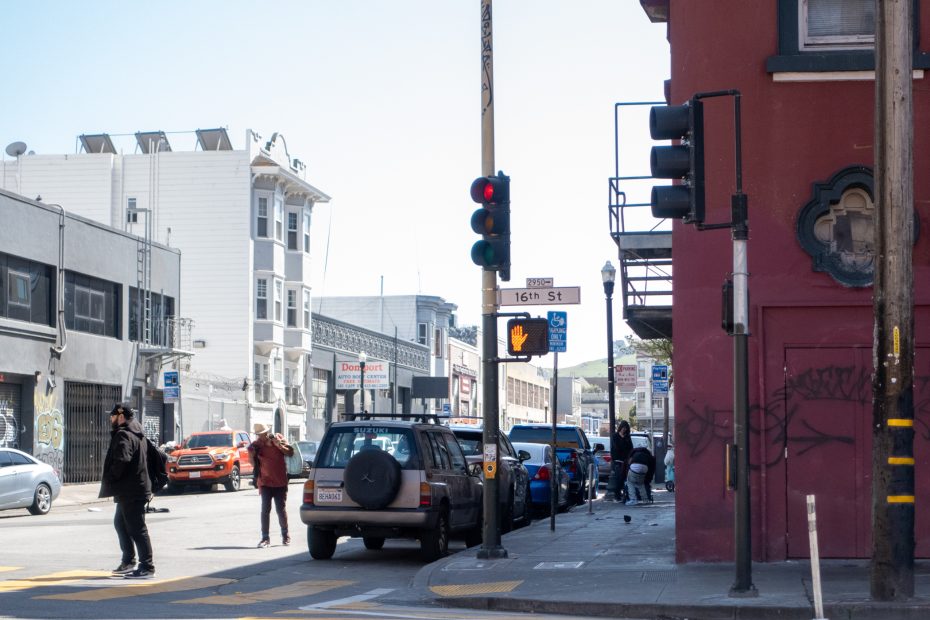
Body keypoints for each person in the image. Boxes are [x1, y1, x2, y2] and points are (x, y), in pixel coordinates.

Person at [98, 402, 155, 579]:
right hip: (133, 489)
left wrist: (111, 478)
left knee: (137, 529)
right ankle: (129, 561)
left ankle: (147, 566)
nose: (111, 419)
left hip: (131, 490)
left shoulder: (123, 435)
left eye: (113, 416)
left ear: (121, 417)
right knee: (121, 524)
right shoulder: (138, 434)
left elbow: (122, 460)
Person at [249, 423, 294, 548]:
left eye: (262, 434)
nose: (261, 437)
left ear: (267, 432)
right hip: (265, 482)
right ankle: (265, 538)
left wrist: (278, 444)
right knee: (265, 510)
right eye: (259, 435)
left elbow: (290, 453)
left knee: (281, 509)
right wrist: (251, 455)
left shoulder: (278, 438)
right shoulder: (256, 445)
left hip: (280, 481)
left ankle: (285, 536)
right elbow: (252, 464)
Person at [611, 420, 634, 502]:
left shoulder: (628, 437)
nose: (624, 430)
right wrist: (623, 440)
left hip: (626, 460)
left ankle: (624, 494)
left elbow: (631, 448)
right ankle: (617, 495)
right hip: (617, 460)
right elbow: (617, 447)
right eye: (623, 428)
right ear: (620, 428)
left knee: (625, 478)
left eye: (626, 428)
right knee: (619, 478)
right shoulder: (615, 436)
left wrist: (630, 457)